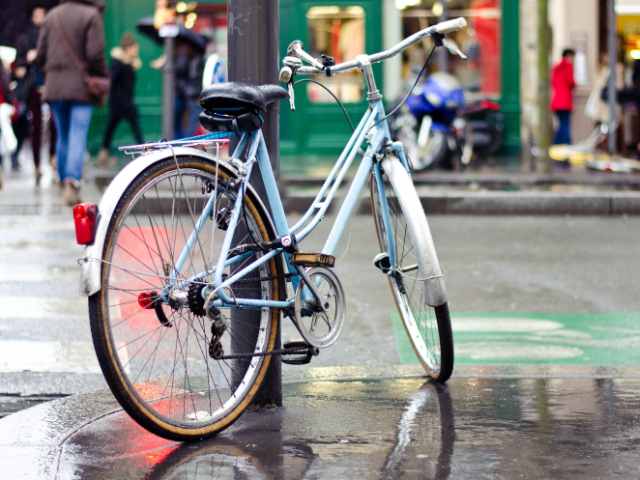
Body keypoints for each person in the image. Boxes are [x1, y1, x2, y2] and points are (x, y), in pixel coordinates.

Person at [35, 0, 107, 205]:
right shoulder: (91, 15)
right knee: (77, 134)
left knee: (63, 135)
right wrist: (102, 75)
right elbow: (95, 54)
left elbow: (40, 55)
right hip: (80, 87)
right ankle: (72, 182)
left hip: (55, 87)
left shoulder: (51, 16)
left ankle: (62, 176)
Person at [12, 5, 48, 185]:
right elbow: (18, 68)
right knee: (35, 126)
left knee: (55, 126)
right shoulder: (25, 38)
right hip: (33, 88)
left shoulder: (51, 35)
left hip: (50, 85)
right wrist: (28, 58)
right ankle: (36, 164)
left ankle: (52, 160)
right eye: (37, 15)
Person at [97, 33, 144, 167]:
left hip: (126, 101)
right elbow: (112, 79)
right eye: (134, 47)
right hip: (119, 102)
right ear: (128, 48)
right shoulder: (118, 62)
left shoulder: (130, 62)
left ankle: (103, 154)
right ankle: (144, 152)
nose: (136, 50)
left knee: (117, 129)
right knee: (116, 129)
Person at [551, 48, 576, 145]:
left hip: (556, 102)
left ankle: (557, 144)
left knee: (561, 124)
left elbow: (553, 82)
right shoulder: (568, 66)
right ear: (568, 56)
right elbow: (571, 82)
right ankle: (565, 144)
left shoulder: (556, 67)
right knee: (565, 124)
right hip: (565, 102)